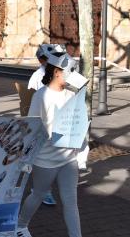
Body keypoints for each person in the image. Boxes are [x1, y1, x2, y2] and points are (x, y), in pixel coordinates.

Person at [17, 51, 86, 237]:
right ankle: (20, 225)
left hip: (68, 159)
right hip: (46, 159)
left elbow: (77, 124)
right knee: (38, 194)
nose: (73, 75)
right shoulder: (41, 96)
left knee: (71, 201)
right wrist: (26, 159)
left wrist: (81, 150)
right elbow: (32, 126)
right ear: (57, 71)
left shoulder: (72, 95)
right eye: (70, 70)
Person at [27, 43, 66, 207]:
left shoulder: (57, 74)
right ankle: (41, 190)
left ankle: (43, 188)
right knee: (41, 157)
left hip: (57, 121)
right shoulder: (39, 75)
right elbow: (34, 100)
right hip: (45, 121)